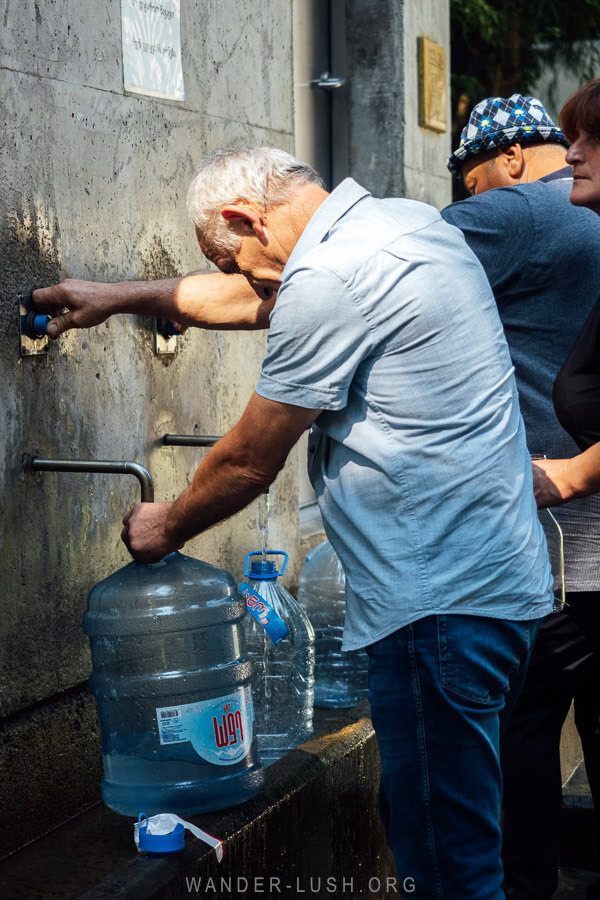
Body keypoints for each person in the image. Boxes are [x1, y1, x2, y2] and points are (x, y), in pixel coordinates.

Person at [34, 146, 553, 898]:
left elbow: (249, 460)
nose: (249, 280)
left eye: (235, 257)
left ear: (246, 218)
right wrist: (117, 298)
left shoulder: (331, 277)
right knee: (450, 832)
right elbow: (265, 297)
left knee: (449, 869)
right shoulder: (404, 228)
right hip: (497, 592)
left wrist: (165, 526)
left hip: (436, 609)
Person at [444, 94, 600, 900]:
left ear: (508, 159)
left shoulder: (519, 211)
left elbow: (356, 273)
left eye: (474, 184)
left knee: (523, 732)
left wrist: (136, 296)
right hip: (574, 542)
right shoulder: (586, 218)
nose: (573, 156)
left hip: (563, 544)